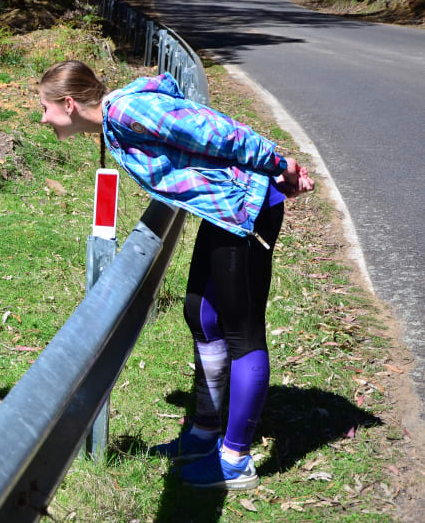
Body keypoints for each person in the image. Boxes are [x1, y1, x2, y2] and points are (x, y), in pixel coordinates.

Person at [38, 60, 314, 491]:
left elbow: (217, 131)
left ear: (69, 104)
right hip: (223, 209)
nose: (43, 118)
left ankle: (235, 460)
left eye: (45, 107)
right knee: (200, 313)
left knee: (243, 333)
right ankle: (205, 434)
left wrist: (280, 164)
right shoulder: (116, 120)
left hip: (245, 208)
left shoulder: (127, 113)